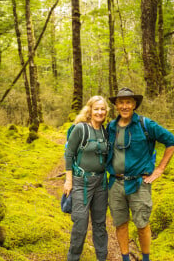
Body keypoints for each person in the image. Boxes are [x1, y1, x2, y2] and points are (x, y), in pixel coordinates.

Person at [106, 88, 174, 261]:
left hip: (139, 184)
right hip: (115, 184)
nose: (124, 106)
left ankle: (146, 258)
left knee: (142, 224)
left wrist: (160, 169)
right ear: (116, 105)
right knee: (120, 224)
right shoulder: (110, 127)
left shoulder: (145, 125)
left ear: (134, 105)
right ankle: (125, 258)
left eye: (128, 102)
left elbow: (172, 142)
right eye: (121, 102)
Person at [64, 96, 110, 261]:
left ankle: (102, 258)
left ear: (106, 112)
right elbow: (69, 154)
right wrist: (68, 180)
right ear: (89, 110)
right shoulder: (81, 129)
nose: (99, 112)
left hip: (101, 183)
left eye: (102, 109)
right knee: (80, 224)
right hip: (81, 183)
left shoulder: (106, 131)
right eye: (96, 109)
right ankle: (73, 258)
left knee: (99, 224)